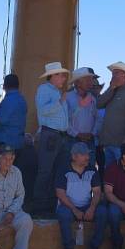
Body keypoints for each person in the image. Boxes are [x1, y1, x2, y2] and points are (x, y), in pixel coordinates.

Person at [55, 142, 108, 249]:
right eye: (83, 155)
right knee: (64, 214)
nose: (87, 158)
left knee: (103, 212)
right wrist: (74, 210)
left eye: (88, 155)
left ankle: (95, 247)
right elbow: (60, 193)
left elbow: (97, 192)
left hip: (86, 206)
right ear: (74, 156)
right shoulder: (64, 170)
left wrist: (92, 208)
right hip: (68, 206)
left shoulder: (92, 169)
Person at [34, 62, 71, 214]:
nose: (63, 78)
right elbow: (42, 111)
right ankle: (39, 205)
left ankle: (49, 204)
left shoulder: (55, 91)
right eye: (61, 75)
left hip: (58, 136)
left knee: (56, 170)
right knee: (46, 171)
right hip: (51, 135)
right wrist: (60, 101)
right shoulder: (44, 89)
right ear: (53, 76)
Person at [97, 62, 125, 168]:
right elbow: (99, 104)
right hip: (109, 142)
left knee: (122, 173)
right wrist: (110, 89)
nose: (113, 76)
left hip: (121, 143)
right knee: (110, 174)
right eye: (113, 74)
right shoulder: (114, 90)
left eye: (116, 73)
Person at [67, 67, 99, 167]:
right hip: (72, 140)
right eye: (87, 79)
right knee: (71, 168)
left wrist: (92, 133)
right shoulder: (67, 97)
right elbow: (64, 121)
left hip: (90, 140)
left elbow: (97, 119)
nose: (90, 82)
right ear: (77, 82)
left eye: (91, 79)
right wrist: (77, 134)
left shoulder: (93, 99)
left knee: (90, 169)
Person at [0, 74, 27, 154]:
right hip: (18, 140)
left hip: (6, 141)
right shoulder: (21, 99)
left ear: (4, 86)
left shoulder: (8, 101)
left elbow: (1, 119)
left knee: (4, 166)